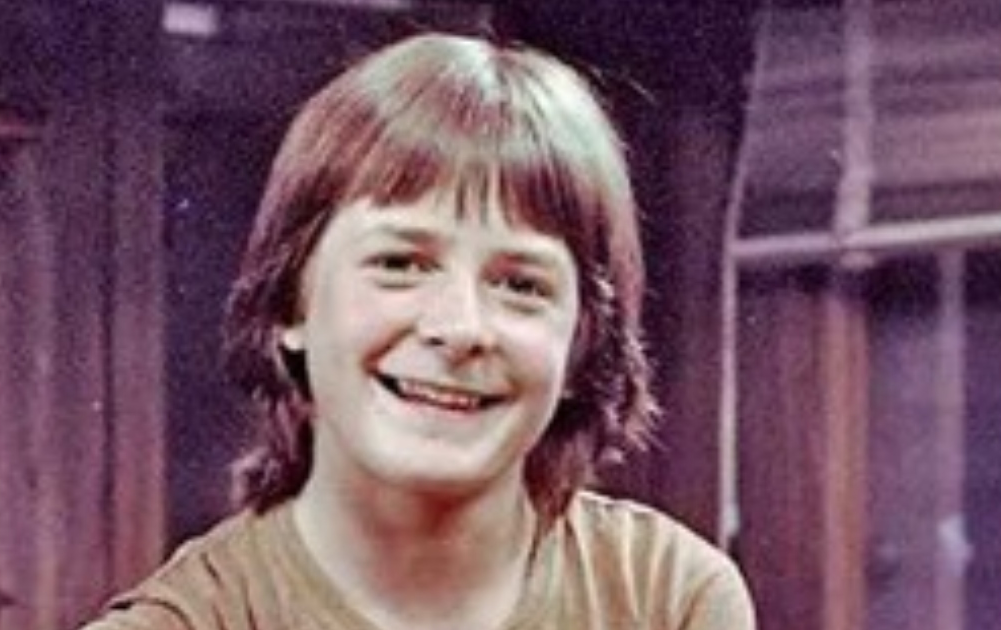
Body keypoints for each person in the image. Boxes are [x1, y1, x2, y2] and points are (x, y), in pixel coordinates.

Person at [82, 31, 755, 630]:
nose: (460, 328)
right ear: (289, 303)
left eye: (522, 284)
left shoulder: (670, 598)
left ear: (583, 343)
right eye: (400, 264)